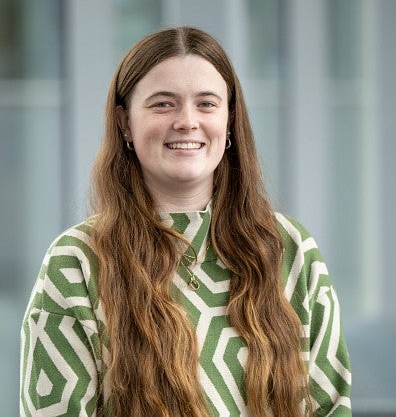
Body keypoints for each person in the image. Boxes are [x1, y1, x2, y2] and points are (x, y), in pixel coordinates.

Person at [20, 26, 351, 416]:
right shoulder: (75, 261)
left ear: (229, 121)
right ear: (125, 123)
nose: (187, 121)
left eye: (207, 104)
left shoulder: (289, 247)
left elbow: (331, 407)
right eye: (163, 104)